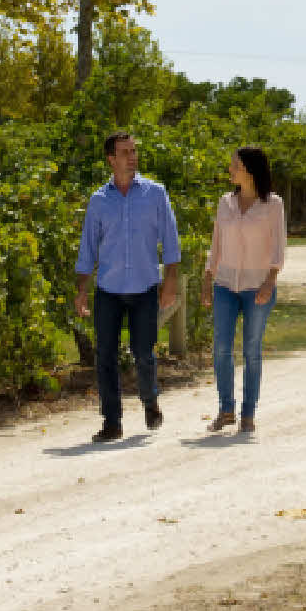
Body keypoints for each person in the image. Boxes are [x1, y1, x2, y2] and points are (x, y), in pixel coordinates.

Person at [73, 130, 182, 442]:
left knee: (143, 353)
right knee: (105, 355)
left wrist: (170, 281)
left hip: (145, 287)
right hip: (108, 290)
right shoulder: (98, 201)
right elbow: (87, 250)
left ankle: (149, 400)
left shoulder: (155, 193)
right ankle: (112, 421)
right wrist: (82, 289)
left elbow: (171, 241)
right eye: (125, 152)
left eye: (134, 151)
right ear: (111, 159)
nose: (132, 157)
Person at [202, 145, 288, 434]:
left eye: (235, 165)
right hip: (225, 284)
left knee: (252, 350)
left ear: (249, 170)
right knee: (222, 347)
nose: (230, 169)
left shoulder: (273, 204)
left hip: (257, 287)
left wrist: (270, 280)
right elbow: (216, 244)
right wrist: (207, 278)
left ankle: (248, 413)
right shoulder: (225, 202)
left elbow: (279, 247)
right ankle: (226, 409)